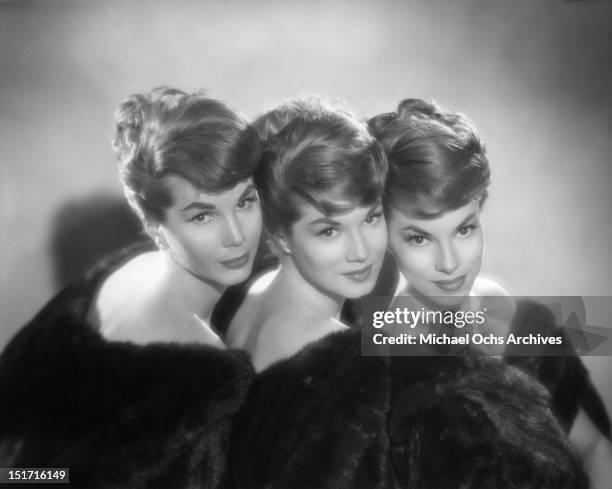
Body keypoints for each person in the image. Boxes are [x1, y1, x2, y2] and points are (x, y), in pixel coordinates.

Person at [222, 97, 587, 489]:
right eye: (328, 230)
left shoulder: (259, 294)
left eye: (370, 217)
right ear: (281, 236)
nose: (361, 251)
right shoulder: (343, 352)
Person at [0, 87, 262, 488]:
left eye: (245, 202)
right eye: (202, 216)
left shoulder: (122, 270)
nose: (237, 236)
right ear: (156, 228)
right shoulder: (201, 371)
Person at [368, 97, 612, 487]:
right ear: (385, 237)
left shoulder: (503, 306)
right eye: (419, 238)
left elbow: (595, 447)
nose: (449, 263)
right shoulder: (386, 354)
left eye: (465, 228)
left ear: (481, 209)